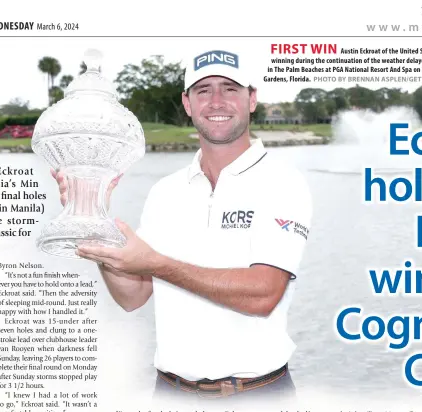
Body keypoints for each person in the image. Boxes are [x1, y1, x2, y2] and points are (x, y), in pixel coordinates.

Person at [52, 49, 312, 409]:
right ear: (187, 103)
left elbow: (263, 294)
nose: (216, 101)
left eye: (230, 89)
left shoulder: (283, 182)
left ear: (252, 99)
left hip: (256, 394)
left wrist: (156, 263)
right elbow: (132, 296)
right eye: (203, 90)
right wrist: (93, 220)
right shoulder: (165, 191)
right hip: (170, 393)